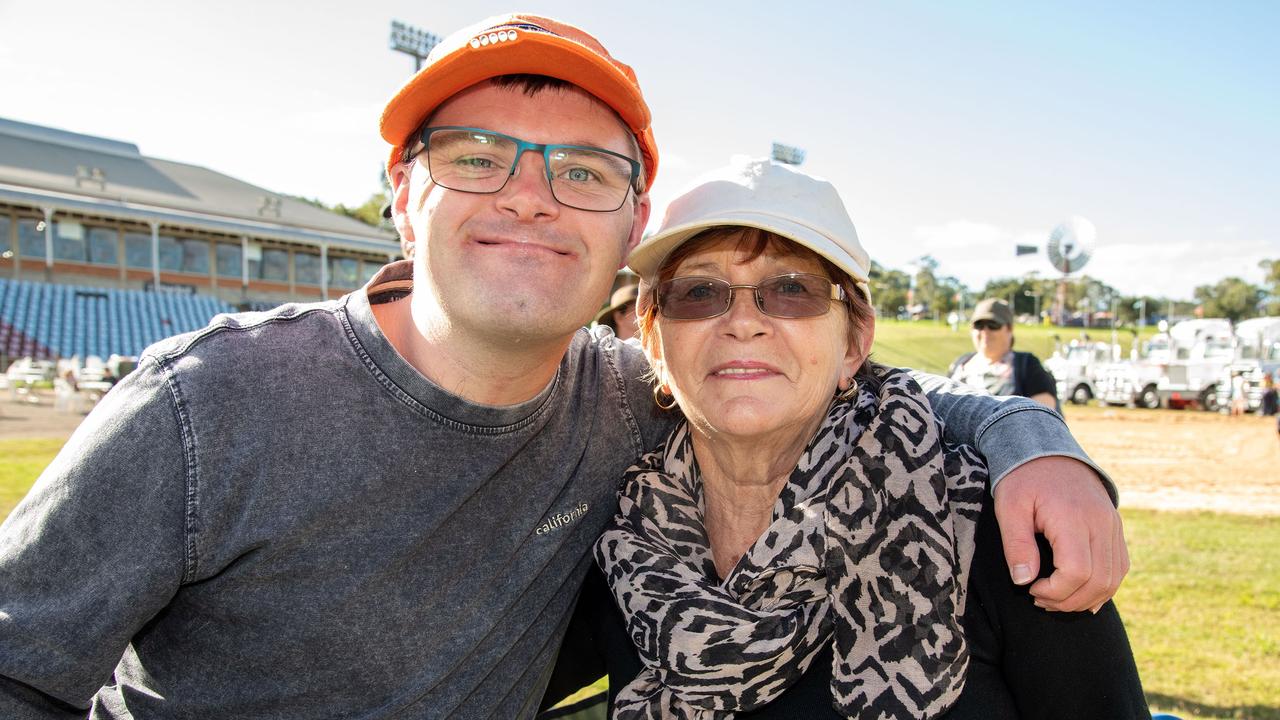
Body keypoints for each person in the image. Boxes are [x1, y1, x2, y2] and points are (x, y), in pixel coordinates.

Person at [0, 14, 1124, 719]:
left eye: (581, 172)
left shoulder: (623, 415)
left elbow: (883, 398)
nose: (528, 193)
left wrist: (1039, 444)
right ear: (401, 192)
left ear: (627, 216)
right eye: (475, 156)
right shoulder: (205, 404)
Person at [561, 158, 1146, 718]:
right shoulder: (625, 546)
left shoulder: (997, 534)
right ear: (655, 345)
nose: (743, 321)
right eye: (699, 292)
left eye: (792, 289)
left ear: (853, 342)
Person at [949, 298, 1058, 409]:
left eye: (993, 325)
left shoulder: (1026, 365)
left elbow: (1043, 414)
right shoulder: (960, 363)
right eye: (979, 325)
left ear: (1009, 328)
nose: (985, 331)